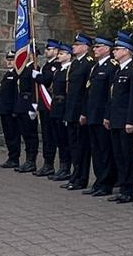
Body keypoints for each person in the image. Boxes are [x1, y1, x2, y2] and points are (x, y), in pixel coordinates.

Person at [105, 35, 133, 202]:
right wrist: (108, 116)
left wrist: (130, 120)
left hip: (125, 120)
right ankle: (122, 187)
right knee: (118, 155)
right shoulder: (119, 69)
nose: (114, 52)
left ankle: (129, 190)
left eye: (117, 49)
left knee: (127, 155)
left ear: (126, 51)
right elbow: (112, 96)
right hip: (115, 119)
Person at [85, 37, 117, 196]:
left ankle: (106, 183)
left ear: (107, 49)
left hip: (102, 115)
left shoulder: (112, 67)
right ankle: (99, 181)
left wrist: (108, 115)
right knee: (96, 150)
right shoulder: (96, 67)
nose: (95, 49)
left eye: (98, 47)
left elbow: (111, 95)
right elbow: (90, 92)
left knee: (105, 151)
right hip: (93, 114)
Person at [64, 34, 95, 189]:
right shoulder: (75, 64)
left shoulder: (88, 64)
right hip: (71, 110)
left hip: (80, 111)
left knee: (81, 147)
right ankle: (75, 175)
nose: (73, 47)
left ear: (85, 46)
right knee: (73, 145)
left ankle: (81, 178)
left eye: (77, 44)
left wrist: (83, 112)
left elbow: (86, 91)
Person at [36, 40, 70, 178]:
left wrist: (38, 76)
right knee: (47, 136)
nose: (46, 51)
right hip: (49, 105)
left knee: (57, 138)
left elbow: (46, 80)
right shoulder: (51, 66)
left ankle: (62, 166)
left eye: (49, 49)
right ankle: (48, 164)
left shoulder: (56, 67)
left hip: (55, 105)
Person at [15, 51, 41, 173]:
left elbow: (36, 88)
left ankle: (31, 161)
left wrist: (34, 105)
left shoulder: (35, 68)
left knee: (31, 134)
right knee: (25, 134)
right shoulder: (24, 68)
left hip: (30, 103)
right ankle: (27, 160)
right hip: (22, 104)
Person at [0, 61, 23, 169]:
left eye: (12, 59)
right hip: (4, 109)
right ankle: (11, 157)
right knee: (8, 135)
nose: (9, 61)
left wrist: (16, 110)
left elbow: (17, 94)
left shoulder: (16, 75)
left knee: (13, 135)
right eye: (7, 59)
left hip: (11, 110)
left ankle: (15, 158)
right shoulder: (8, 73)